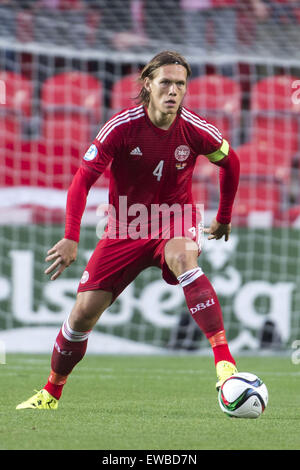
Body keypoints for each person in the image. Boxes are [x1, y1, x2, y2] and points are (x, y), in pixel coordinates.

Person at [16, 50, 240, 410]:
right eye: (165, 82)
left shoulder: (195, 129)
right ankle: (51, 392)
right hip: (126, 226)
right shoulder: (121, 127)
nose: (173, 91)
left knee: (183, 256)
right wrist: (72, 237)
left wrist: (224, 215)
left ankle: (224, 363)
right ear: (147, 84)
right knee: (81, 315)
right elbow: (81, 182)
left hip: (175, 217)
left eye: (180, 84)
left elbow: (231, 162)